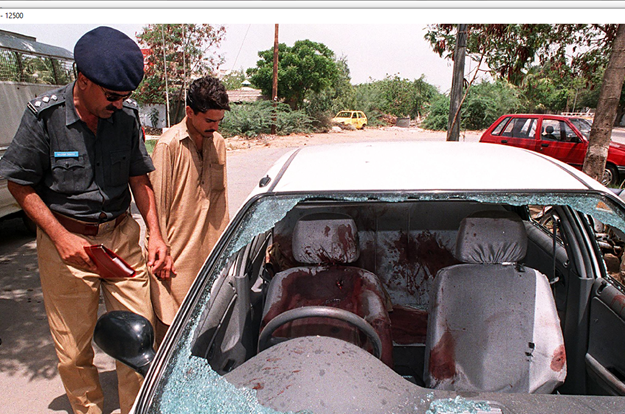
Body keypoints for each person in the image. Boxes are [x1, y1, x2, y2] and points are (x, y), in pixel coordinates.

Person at [0, 26, 173, 414]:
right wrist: (60, 237)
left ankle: (136, 409)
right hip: (66, 244)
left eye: (126, 96)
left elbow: (139, 179)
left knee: (138, 336)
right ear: (83, 80)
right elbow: (19, 184)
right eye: (112, 96)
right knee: (73, 346)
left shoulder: (125, 117)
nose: (120, 103)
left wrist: (155, 234)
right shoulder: (44, 117)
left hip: (120, 238)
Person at [148, 76, 231, 345]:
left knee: (206, 327)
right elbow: (156, 205)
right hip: (176, 260)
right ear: (189, 112)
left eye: (219, 121)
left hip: (208, 254)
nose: (215, 126)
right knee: (171, 334)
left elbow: (221, 201)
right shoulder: (168, 145)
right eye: (209, 120)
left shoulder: (217, 143)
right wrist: (160, 251)